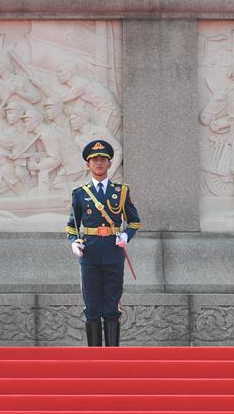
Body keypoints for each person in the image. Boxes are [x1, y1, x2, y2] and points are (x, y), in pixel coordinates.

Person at [66, 140, 141, 347]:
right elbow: (72, 224)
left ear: (109, 164)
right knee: (91, 307)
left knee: (111, 307)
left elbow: (134, 221)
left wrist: (126, 236)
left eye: (103, 159)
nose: (98, 163)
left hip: (113, 252)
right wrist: (74, 242)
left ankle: (112, 359)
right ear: (88, 165)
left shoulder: (121, 191)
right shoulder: (80, 193)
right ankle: (94, 360)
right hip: (89, 253)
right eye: (94, 160)